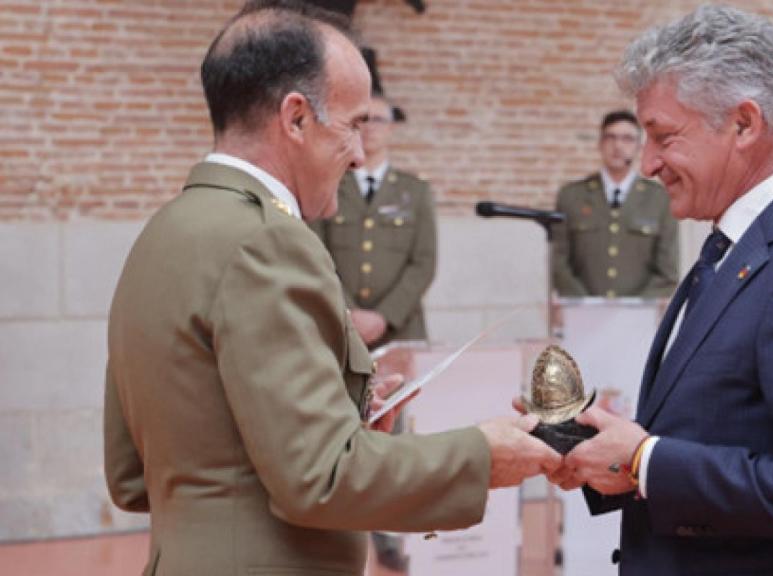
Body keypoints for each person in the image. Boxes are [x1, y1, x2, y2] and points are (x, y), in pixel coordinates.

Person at [103, 2, 560, 574]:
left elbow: (132, 474)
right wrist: (481, 455)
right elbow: (319, 479)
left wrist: (339, 426)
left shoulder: (164, 232)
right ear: (295, 119)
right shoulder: (268, 243)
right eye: (352, 124)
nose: (360, 154)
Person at [546, 6, 773, 575]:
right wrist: (611, 451)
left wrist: (646, 459)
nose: (647, 164)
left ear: (744, 124)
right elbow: (722, 431)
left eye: (663, 136)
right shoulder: (736, 244)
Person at [310, 91, 436, 347]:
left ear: (391, 128)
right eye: (363, 120)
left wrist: (384, 316)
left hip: (399, 328)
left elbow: (424, 262)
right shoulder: (327, 186)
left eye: (378, 120)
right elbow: (315, 255)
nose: (370, 128)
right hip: (339, 326)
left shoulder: (415, 191)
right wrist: (347, 311)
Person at [551, 110, 680, 299]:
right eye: (610, 137)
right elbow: (559, 262)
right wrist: (586, 304)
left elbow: (667, 272)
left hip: (639, 317)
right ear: (600, 144)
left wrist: (631, 309)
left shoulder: (660, 199)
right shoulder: (571, 196)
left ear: (639, 147)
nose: (618, 146)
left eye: (627, 139)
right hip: (582, 314)